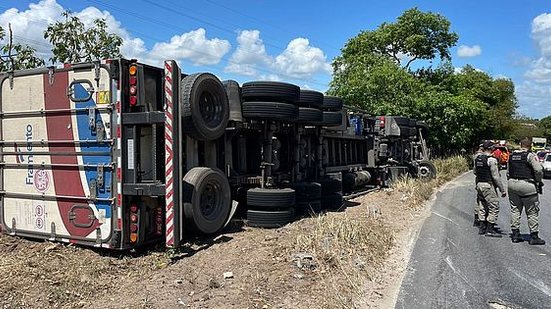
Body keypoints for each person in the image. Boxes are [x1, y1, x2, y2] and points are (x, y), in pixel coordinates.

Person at [507, 138, 545, 245]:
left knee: (515, 210)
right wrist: (538, 181)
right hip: (527, 186)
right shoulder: (530, 156)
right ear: (531, 145)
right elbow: (538, 170)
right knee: (532, 211)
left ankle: (515, 235)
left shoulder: (512, 155)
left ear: (520, 144)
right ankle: (534, 236)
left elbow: (508, 172)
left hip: (512, 184)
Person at [473, 140, 507, 237]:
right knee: (494, 206)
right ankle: (490, 228)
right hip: (488, 185)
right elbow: (496, 177)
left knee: (482, 205)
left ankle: (482, 227)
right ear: (491, 148)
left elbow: (475, 171)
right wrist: (502, 190)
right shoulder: (491, 160)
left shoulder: (478, 158)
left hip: (479, 184)